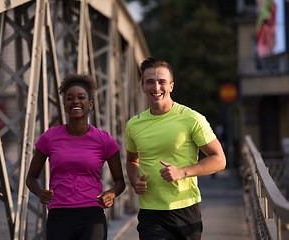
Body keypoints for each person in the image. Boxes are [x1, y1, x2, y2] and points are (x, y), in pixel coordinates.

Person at [126, 58, 226, 240]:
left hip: (185, 209)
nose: (156, 88)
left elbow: (219, 159)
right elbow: (132, 160)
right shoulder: (134, 125)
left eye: (162, 82)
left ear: (171, 86)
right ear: (142, 86)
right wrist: (134, 179)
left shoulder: (191, 118)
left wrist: (183, 172)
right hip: (151, 213)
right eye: (150, 82)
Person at [26, 73, 125, 240]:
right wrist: (40, 193)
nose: (75, 101)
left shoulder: (105, 140)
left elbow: (120, 182)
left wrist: (111, 193)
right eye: (70, 98)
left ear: (90, 104)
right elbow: (31, 178)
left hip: (92, 216)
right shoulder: (49, 137)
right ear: (65, 105)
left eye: (81, 97)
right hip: (59, 216)